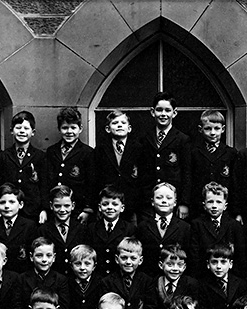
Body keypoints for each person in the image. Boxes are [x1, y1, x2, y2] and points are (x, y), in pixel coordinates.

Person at [140, 91, 191, 219]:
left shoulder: (182, 139)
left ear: (174, 112)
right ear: (153, 112)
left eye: (167, 110)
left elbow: (187, 172)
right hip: (148, 202)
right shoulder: (144, 138)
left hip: (172, 202)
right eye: (159, 110)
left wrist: (184, 203)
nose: (163, 114)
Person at [100, 237, 155, 309]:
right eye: (124, 258)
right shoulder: (108, 281)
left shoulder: (146, 281)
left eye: (133, 258)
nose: (128, 262)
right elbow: (105, 306)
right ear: (116, 259)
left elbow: (151, 308)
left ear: (140, 260)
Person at [184, 110, 238, 218]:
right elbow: (187, 178)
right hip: (198, 208)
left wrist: (237, 212)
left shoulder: (231, 153)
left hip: (223, 209)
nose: (212, 133)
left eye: (217, 128)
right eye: (208, 128)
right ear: (200, 129)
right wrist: (185, 203)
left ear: (223, 129)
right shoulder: (193, 152)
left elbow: (235, 184)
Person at [94, 110, 145, 223]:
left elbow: (144, 177)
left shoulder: (139, 149)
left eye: (123, 122)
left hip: (132, 203)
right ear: (108, 129)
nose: (119, 125)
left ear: (129, 128)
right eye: (115, 123)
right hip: (108, 203)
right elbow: (95, 178)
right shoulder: (100, 149)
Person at [46, 107, 95, 223]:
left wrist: (87, 210)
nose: (69, 132)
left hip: (77, 209)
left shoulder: (87, 152)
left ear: (80, 129)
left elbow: (91, 183)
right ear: (59, 129)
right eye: (65, 128)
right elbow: (46, 180)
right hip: (55, 208)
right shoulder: (51, 151)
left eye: (73, 127)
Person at [0, 110, 48, 223]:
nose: (22, 132)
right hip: (9, 209)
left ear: (33, 132)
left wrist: (44, 209)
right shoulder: (4, 156)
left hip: (32, 210)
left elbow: (44, 184)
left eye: (26, 128)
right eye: (18, 128)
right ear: (11, 130)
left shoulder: (40, 156)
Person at [0, 183, 37, 274]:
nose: (7, 206)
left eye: (12, 202)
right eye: (2, 202)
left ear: (21, 204)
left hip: (21, 274)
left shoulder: (29, 226)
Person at [189, 181, 243, 276]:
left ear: (225, 205)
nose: (214, 206)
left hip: (229, 275)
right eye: (210, 202)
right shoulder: (197, 224)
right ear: (204, 205)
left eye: (218, 202)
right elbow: (195, 256)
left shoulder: (234, 225)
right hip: (204, 275)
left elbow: (240, 256)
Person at [136, 182, 191, 276]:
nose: (164, 201)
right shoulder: (143, 226)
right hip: (149, 277)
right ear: (152, 202)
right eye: (159, 197)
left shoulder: (185, 227)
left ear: (175, 202)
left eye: (169, 198)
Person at [15, 237, 70, 309]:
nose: (44, 260)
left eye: (48, 255)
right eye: (39, 255)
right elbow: (17, 307)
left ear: (54, 257)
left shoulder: (60, 279)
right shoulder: (22, 278)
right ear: (31, 257)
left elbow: (63, 308)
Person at [37, 185, 89, 276]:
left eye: (66, 206)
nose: (62, 210)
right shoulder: (43, 230)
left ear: (73, 206)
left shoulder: (82, 229)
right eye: (57, 206)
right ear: (51, 206)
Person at [197, 244, 247, 309]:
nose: (218, 266)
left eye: (223, 262)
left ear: (230, 264)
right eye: (214, 262)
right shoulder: (202, 285)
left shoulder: (240, 283)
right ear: (208, 264)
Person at [87, 185, 136, 277]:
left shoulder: (129, 229)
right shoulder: (92, 228)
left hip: (119, 277)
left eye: (115, 204)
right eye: (105, 204)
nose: (110, 207)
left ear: (122, 208)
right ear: (99, 207)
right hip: (98, 277)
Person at [152, 244, 199, 309]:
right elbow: (151, 306)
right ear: (161, 265)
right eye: (170, 265)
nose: (175, 269)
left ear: (184, 267)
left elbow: (194, 307)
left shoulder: (190, 284)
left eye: (180, 265)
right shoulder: (155, 282)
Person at [67, 244, 103, 309]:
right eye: (78, 263)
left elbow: (103, 304)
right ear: (71, 266)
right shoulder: (67, 282)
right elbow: (64, 303)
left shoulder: (100, 282)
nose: (82, 268)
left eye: (87, 264)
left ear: (94, 266)